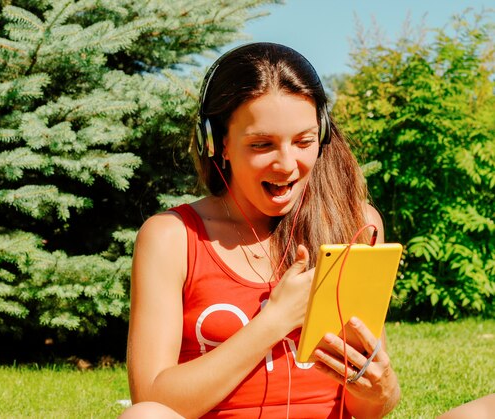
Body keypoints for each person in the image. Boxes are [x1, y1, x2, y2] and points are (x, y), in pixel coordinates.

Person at [120, 43, 400, 418]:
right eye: (262, 144)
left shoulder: (353, 223)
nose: (287, 164)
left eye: (303, 141)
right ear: (217, 144)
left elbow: (369, 409)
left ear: (323, 135)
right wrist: (275, 321)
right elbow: (153, 400)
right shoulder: (170, 237)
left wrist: (381, 387)